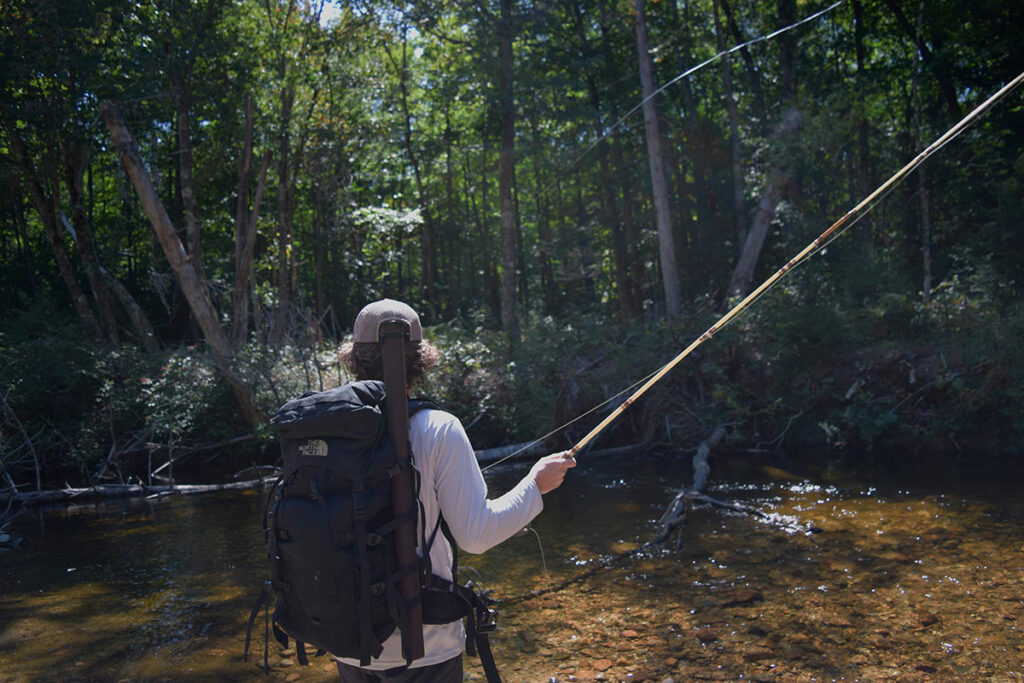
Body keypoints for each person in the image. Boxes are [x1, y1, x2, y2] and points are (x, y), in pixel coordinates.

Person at [334, 298, 575, 683]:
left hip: (349, 642)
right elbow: (476, 536)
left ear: (356, 359)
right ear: (420, 359)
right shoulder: (438, 428)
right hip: (427, 647)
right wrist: (536, 486)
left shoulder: (332, 430)